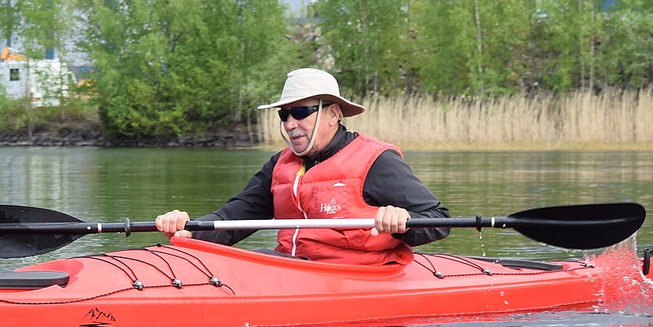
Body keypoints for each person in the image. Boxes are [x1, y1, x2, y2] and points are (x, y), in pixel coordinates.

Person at [155, 68, 451, 265]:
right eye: (284, 115)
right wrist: (189, 228)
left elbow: (438, 220)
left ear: (333, 114)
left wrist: (402, 222)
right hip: (293, 270)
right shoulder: (279, 165)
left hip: (358, 276)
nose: (289, 123)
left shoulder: (377, 160)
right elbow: (234, 218)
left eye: (299, 112)